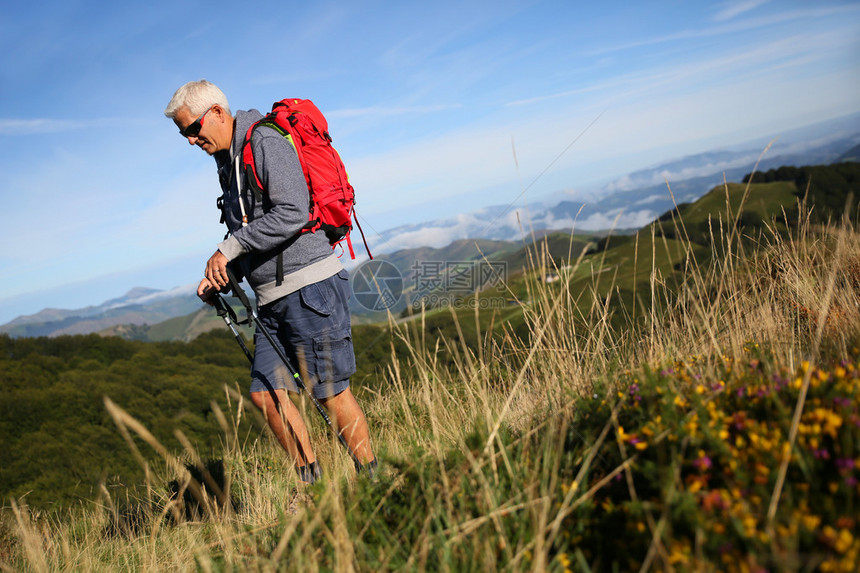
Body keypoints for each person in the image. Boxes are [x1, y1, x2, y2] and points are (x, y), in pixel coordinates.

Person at [164, 80, 375, 483]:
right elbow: (254, 234)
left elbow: (292, 213)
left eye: (193, 129)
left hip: (310, 287)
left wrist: (227, 249)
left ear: (218, 113)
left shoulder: (264, 140)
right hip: (271, 299)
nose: (191, 141)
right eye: (183, 134)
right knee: (267, 396)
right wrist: (227, 275)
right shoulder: (227, 163)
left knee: (329, 392)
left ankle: (374, 483)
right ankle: (312, 490)